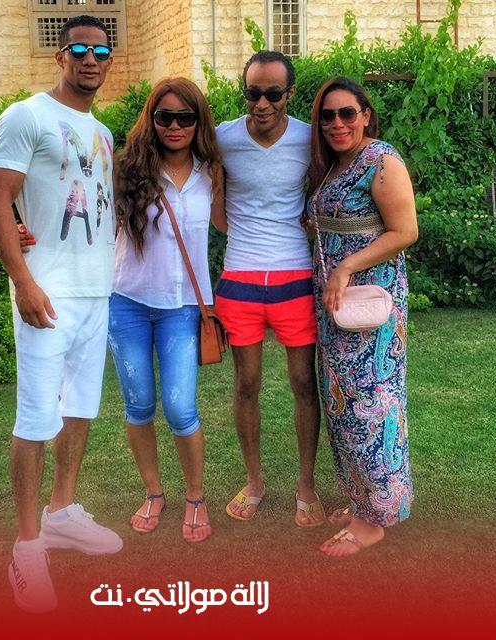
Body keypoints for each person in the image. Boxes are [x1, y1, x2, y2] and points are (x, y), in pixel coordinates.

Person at [0, 15, 122, 614]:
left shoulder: (104, 132)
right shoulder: (26, 116)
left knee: (80, 407)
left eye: (102, 51)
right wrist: (23, 281)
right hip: (47, 293)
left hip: (96, 294)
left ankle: (62, 513)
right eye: (80, 49)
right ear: (59, 56)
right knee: (37, 417)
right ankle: (27, 548)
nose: (91, 59)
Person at [109, 77, 225, 542]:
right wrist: (27, 233)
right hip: (127, 302)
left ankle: (195, 497)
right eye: (165, 116)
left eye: (185, 117)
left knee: (180, 407)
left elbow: (240, 220)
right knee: (138, 405)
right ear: (151, 119)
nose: (175, 126)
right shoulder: (126, 170)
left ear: (199, 121)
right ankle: (154, 492)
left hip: (183, 308)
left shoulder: (212, 174)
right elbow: (89, 223)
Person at [305, 76, 418, 556]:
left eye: (347, 113)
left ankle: (375, 519)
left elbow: (405, 230)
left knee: (373, 405)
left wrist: (346, 266)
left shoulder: (381, 159)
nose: (337, 123)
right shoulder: (335, 164)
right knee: (343, 406)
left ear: (365, 115)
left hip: (370, 304)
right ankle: (362, 501)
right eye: (327, 116)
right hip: (335, 303)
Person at [214, 51, 324, 526]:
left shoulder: (309, 137)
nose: (261, 103)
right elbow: (199, 189)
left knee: (304, 383)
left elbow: (333, 183)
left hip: (295, 278)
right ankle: (255, 481)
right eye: (252, 93)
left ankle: (306, 484)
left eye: (273, 93)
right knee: (247, 384)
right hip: (239, 278)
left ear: (290, 94)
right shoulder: (222, 137)